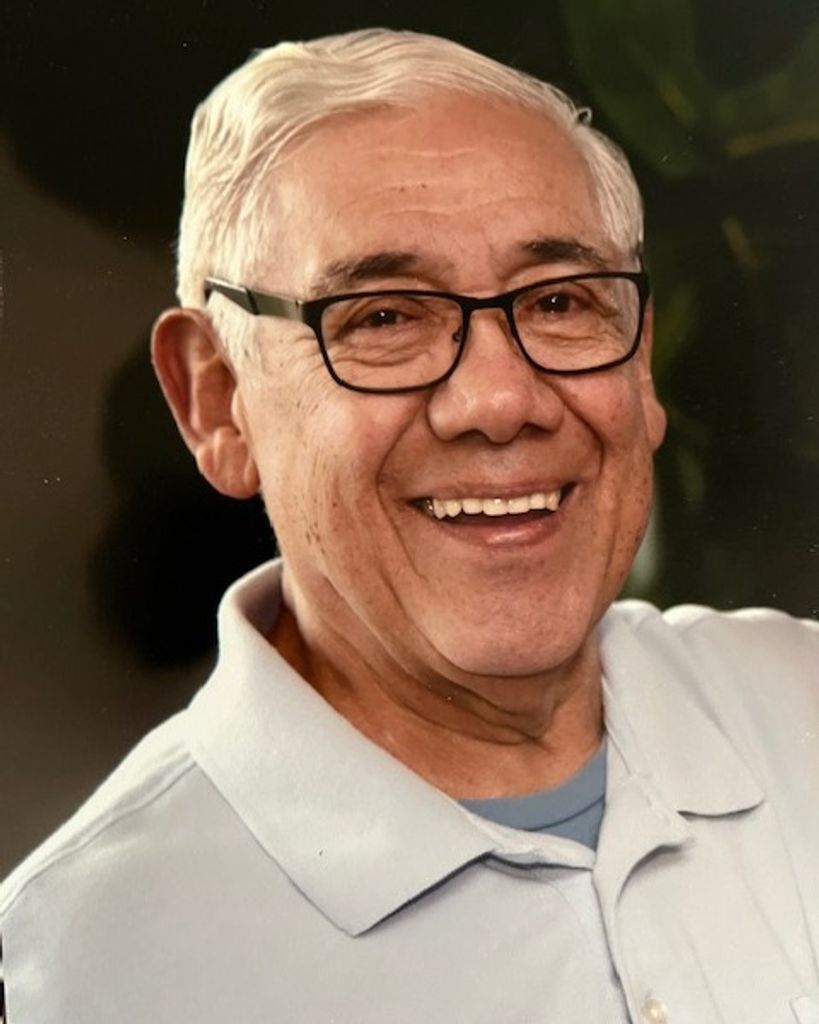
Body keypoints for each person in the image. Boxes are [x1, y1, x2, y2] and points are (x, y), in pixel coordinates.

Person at [1, 27, 817, 1024]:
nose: (500, 400)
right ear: (217, 401)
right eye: (383, 317)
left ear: (640, 365)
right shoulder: (78, 970)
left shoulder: (803, 701)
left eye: (559, 300)